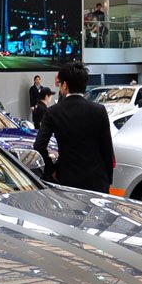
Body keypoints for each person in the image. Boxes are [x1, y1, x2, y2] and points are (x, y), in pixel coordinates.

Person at [34, 62, 114, 193]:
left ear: (65, 85)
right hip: (97, 180)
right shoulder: (99, 110)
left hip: (68, 179)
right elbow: (107, 148)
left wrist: (51, 169)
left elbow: (39, 145)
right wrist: (108, 179)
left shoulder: (53, 112)